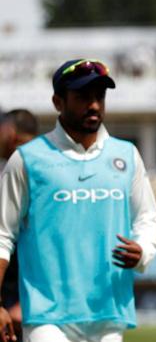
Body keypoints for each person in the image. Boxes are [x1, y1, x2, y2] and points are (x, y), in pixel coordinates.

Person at [0, 59, 156, 342]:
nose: (94, 105)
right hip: (46, 316)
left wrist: (143, 249)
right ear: (58, 101)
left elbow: (146, 217)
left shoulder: (126, 155)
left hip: (110, 312)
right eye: (83, 97)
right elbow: (3, 235)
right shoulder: (28, 159)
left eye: (99, 96)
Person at [0, 108, 38, 342]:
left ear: (9, 132)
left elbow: (49, 242)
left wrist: (25, 302)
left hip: (23, 301)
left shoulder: (40, 171)